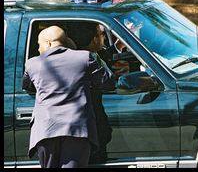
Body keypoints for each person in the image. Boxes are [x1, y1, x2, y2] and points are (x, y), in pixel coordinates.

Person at [22, 25, 115, 168]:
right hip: (77, 131)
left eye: (39, 44)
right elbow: (108, 82)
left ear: (48, 43)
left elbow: (27, 86)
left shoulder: (32, 64)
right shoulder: (85, 57)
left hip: (45, 131)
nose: (39, 49)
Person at [67, 22, 124, 164]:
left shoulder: (84, 56)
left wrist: (118, 47)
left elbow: (103, 55)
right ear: (94, 39)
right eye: (102, 34)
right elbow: (107, 82)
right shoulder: (87, 59)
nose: (104, 37)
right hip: (92, 127)